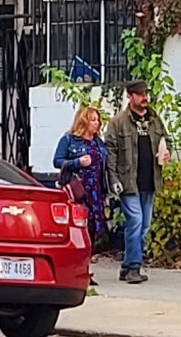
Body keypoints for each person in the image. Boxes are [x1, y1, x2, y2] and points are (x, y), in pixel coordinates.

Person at [105, 79, 170, 283]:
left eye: (146, 94)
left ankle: (126, 267)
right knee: (135, 221)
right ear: (129, 96)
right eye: (140, 94)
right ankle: (134, 267)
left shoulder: (154, 120)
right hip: (128, 182)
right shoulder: (117, 123)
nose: (145, 98)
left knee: (144, 226)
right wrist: (113, 178)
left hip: (150, 180)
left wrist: (166, 152)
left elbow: (166, 140)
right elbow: (111, 153)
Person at [53, 106, 109, 276]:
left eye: (98, 120)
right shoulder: (69, 140)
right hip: (78, 190)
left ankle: (85, 268)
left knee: (92, 229)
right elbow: (57, 161)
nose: (97, 123)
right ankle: (76, 269)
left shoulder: (98, 142)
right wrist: (77, 162)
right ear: (83, 121)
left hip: (96, 191)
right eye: (93, 120)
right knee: (79, 227)